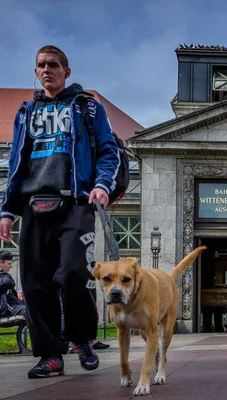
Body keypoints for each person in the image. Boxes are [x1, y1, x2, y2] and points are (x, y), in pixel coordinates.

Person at [0, 45, 120, 379]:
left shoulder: (87, 107)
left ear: (67, 71)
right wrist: (8, 210)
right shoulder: (26, 112)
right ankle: (50, 356)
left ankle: (81, 338)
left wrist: (101, 185)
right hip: (34, 206)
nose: (47, 69)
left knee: (72, 275)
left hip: (75, 204)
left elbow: (109, 151)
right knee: (36, 285)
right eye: (41, 65)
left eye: (54, 65)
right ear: (35, 71)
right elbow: (15, 163)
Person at [0, 250, 26, 318]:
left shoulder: (4, 276)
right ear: (0, 263)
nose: (11, 266)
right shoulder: (4, 277)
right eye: (9, 263)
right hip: (8, 309)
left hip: (17, 305)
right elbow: (9, 282)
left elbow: (10, 282)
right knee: (31, 312)